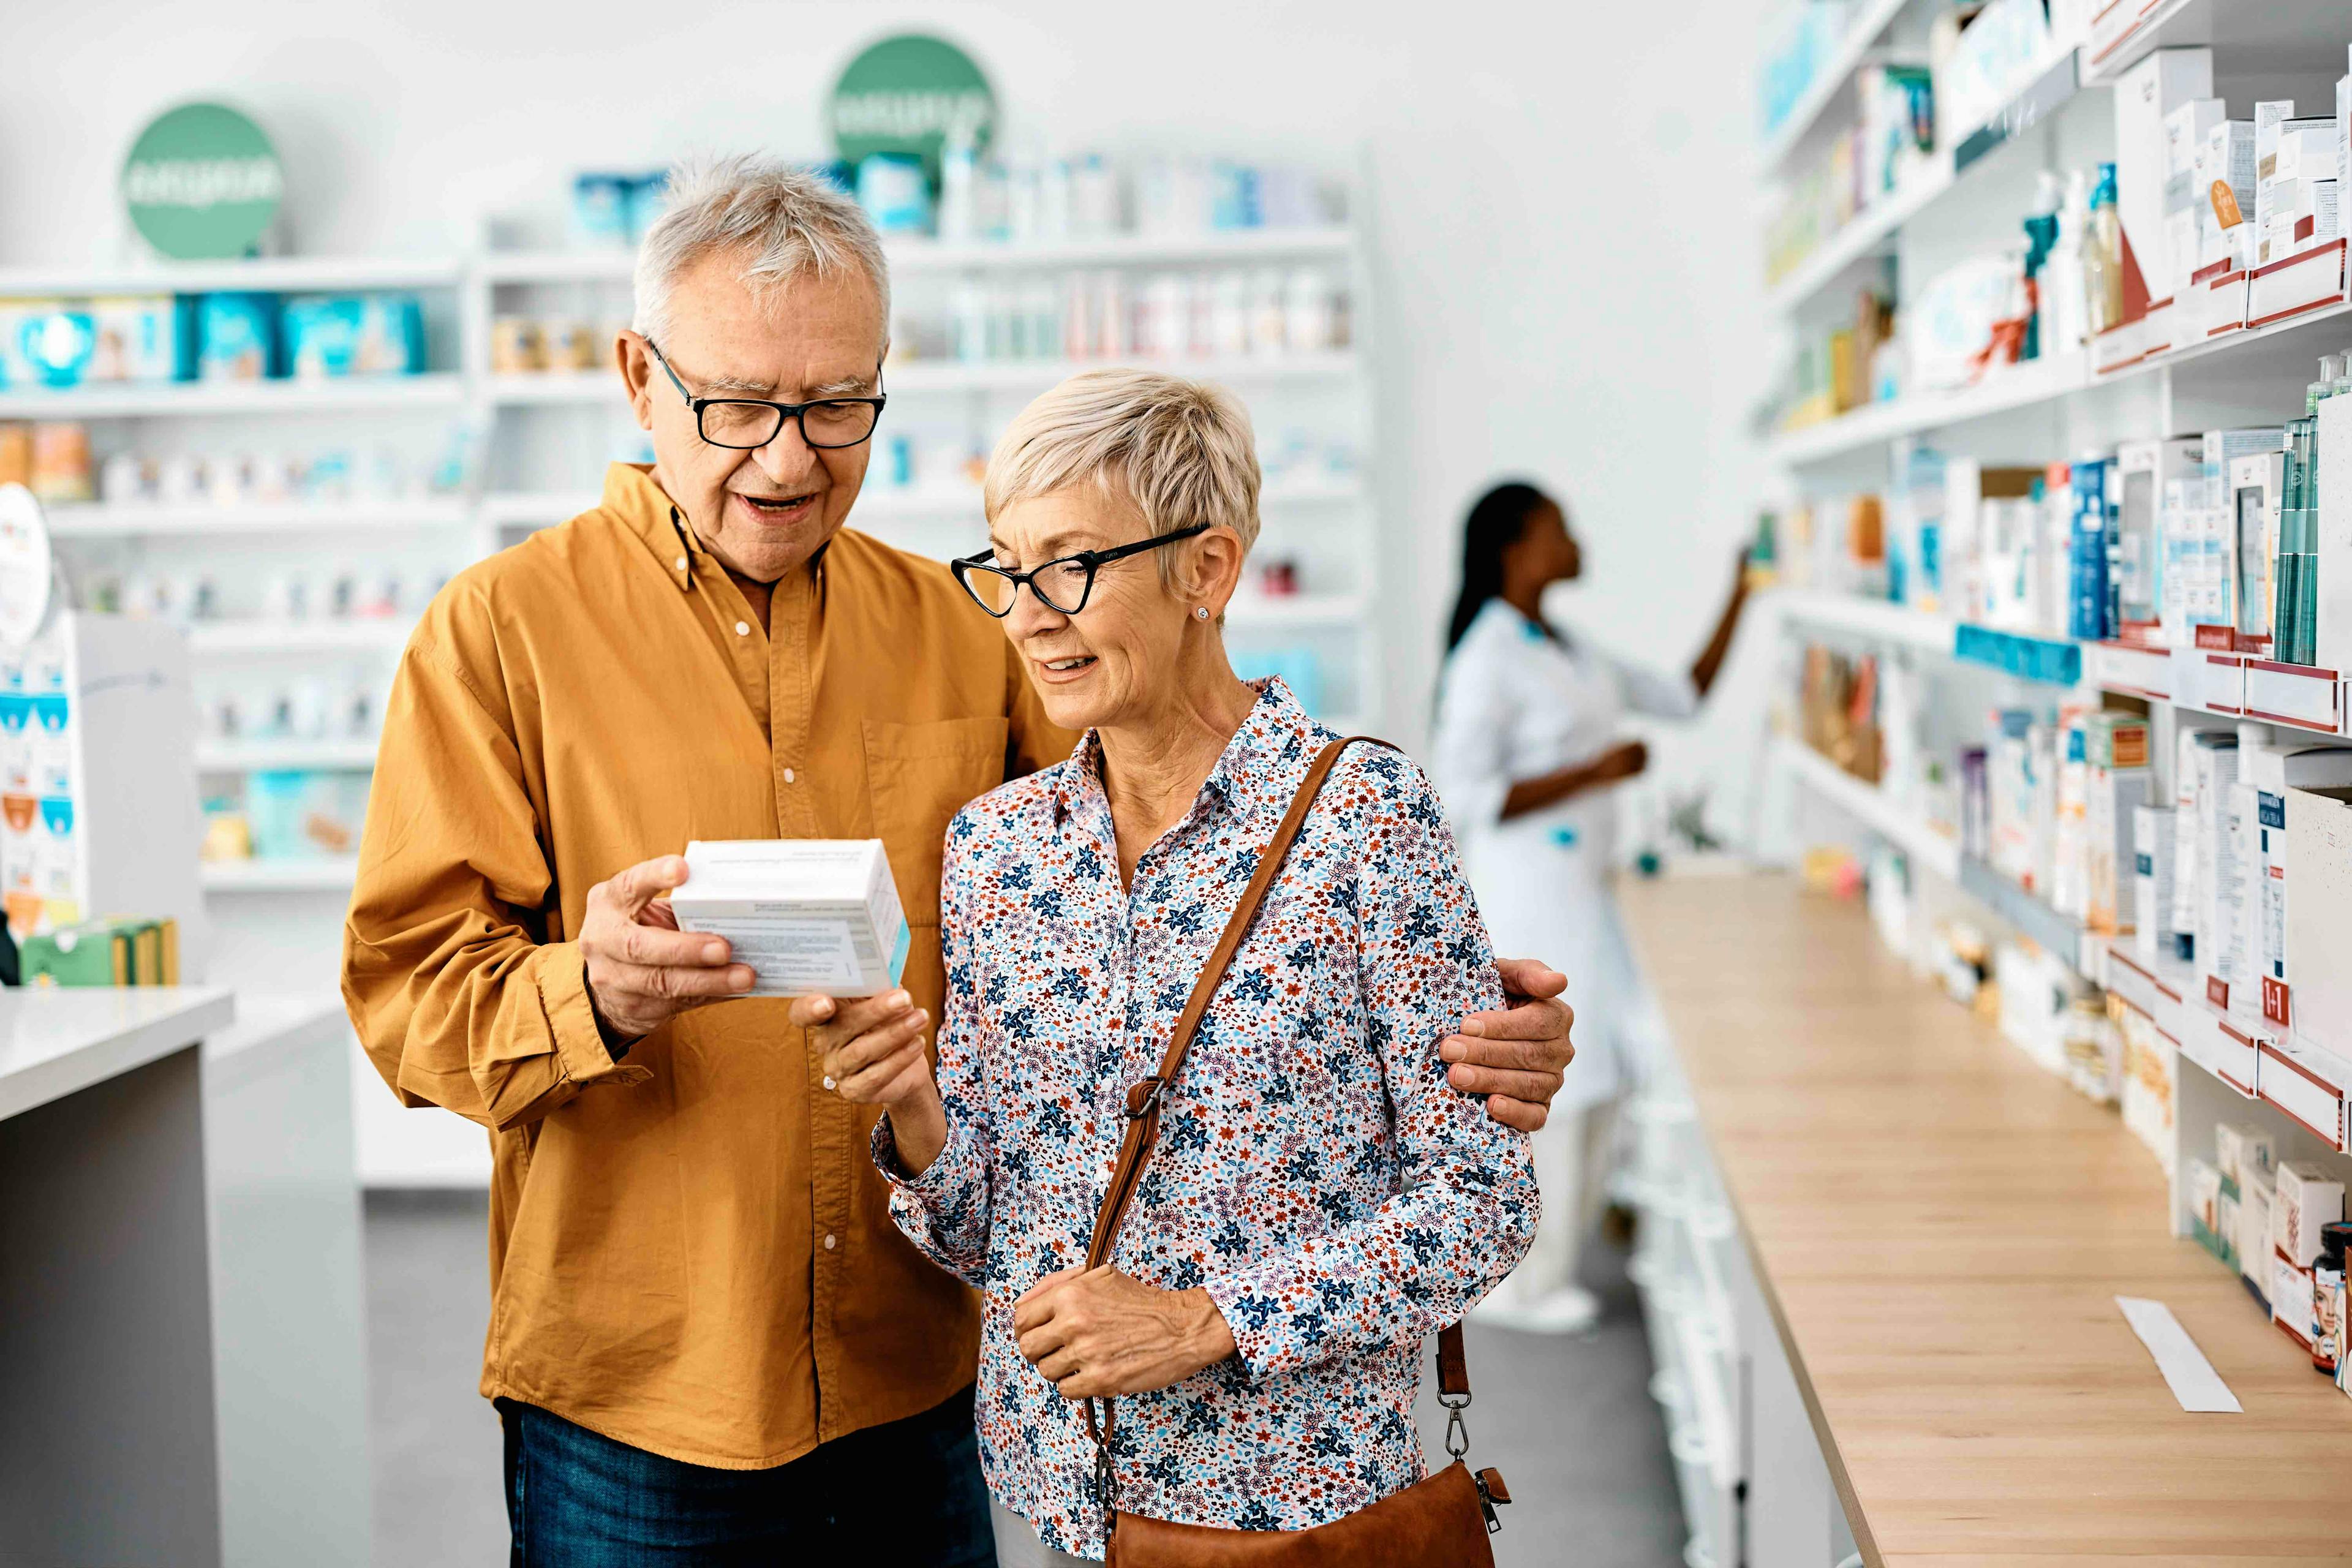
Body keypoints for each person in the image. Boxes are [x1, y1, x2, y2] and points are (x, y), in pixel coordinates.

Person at [342, 156, 1580, 1564]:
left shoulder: (962, 622)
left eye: (837, 405)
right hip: (643, 1395)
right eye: (740, 403)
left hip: (922, 1384)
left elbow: (1147, 888)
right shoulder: (498, 632)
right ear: (639, 377)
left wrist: (1451, 1022)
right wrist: (593, 991)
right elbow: (405, 1000)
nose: (792, 457)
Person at [826, 370, 1538, 1565]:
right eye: (1007, 568)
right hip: (1060, 1494)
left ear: (1207, 569)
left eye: (1073, 564)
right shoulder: (998, 849)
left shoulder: (1366, 818)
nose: (1030, 614)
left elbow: (1482, 1206)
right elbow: (989, 1231)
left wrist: (1205, 1321)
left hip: (1295, 1513)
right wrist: (913, 1105)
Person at [1428, 480, 1749, 1335]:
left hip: (1583, 888)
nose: (1576, 542)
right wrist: (1595, 774)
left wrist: (1745, 591)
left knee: (1600, 1063)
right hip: (1529, 888)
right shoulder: (1487, 657)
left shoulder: (1565, 645)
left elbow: (1683, 695)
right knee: (1550, 1081)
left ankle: (1553, 1257)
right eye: (1559, 531)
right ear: (1516, 549)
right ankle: (1519, 1284)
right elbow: (1461, 791)